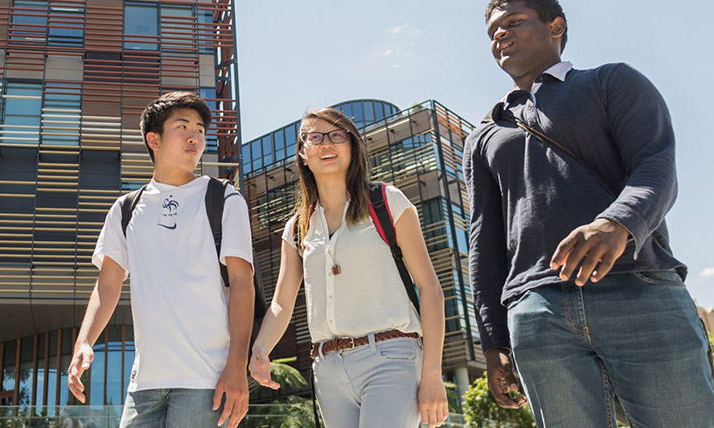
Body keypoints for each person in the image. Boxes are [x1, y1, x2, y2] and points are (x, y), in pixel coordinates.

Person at [465, 0, 714, 426]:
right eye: (493, 33)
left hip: (638, 287)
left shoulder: (611, 81)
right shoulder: (485, 134)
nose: (501, 37)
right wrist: (493, 340)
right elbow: (484, 242)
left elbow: (656, 165)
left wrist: (616, 223)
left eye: (513, 23)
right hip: (535, 309)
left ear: (555, 27)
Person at [246, 108, 448, 427]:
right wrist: (260, 348)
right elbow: (282, 302)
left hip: (391, 358)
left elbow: (430, 290)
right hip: (327, 368)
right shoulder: (297, 227)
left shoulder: (387, 202)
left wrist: (433, 374)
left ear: (352, 147)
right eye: (315, 137)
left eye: (337, 135)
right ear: (303, 153)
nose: (327, 144)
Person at [66, 91, 256, 428]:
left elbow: (242, 282)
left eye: (199, 129)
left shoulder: (224, 197)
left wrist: (237, 365)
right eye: (182, 127)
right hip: (144, 384)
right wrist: (84, 341)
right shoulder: (126, 209)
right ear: (154, 140)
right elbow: (108, 284)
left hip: (206, 379)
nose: (194, 136)